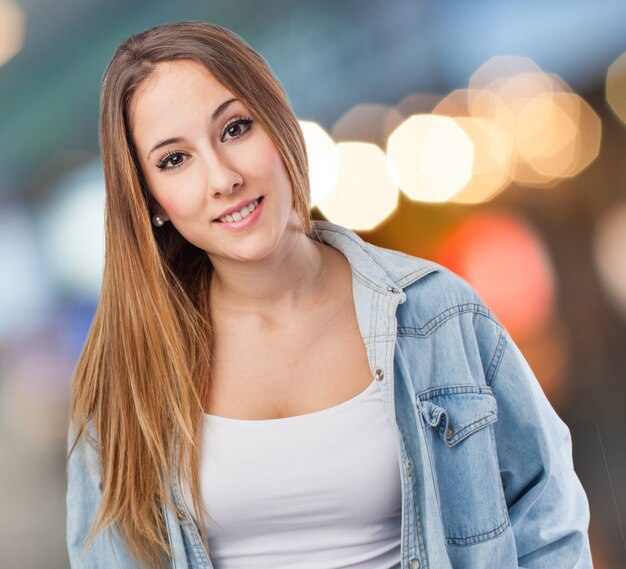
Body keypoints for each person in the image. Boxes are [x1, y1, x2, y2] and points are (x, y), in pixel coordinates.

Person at [66, 21, 593, 569]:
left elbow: (548, 523)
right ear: (149, 199)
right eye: (174, 160)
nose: (222, 178)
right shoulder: (121, 383)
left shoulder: (437, 315)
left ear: (278, 121)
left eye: (235, 128)